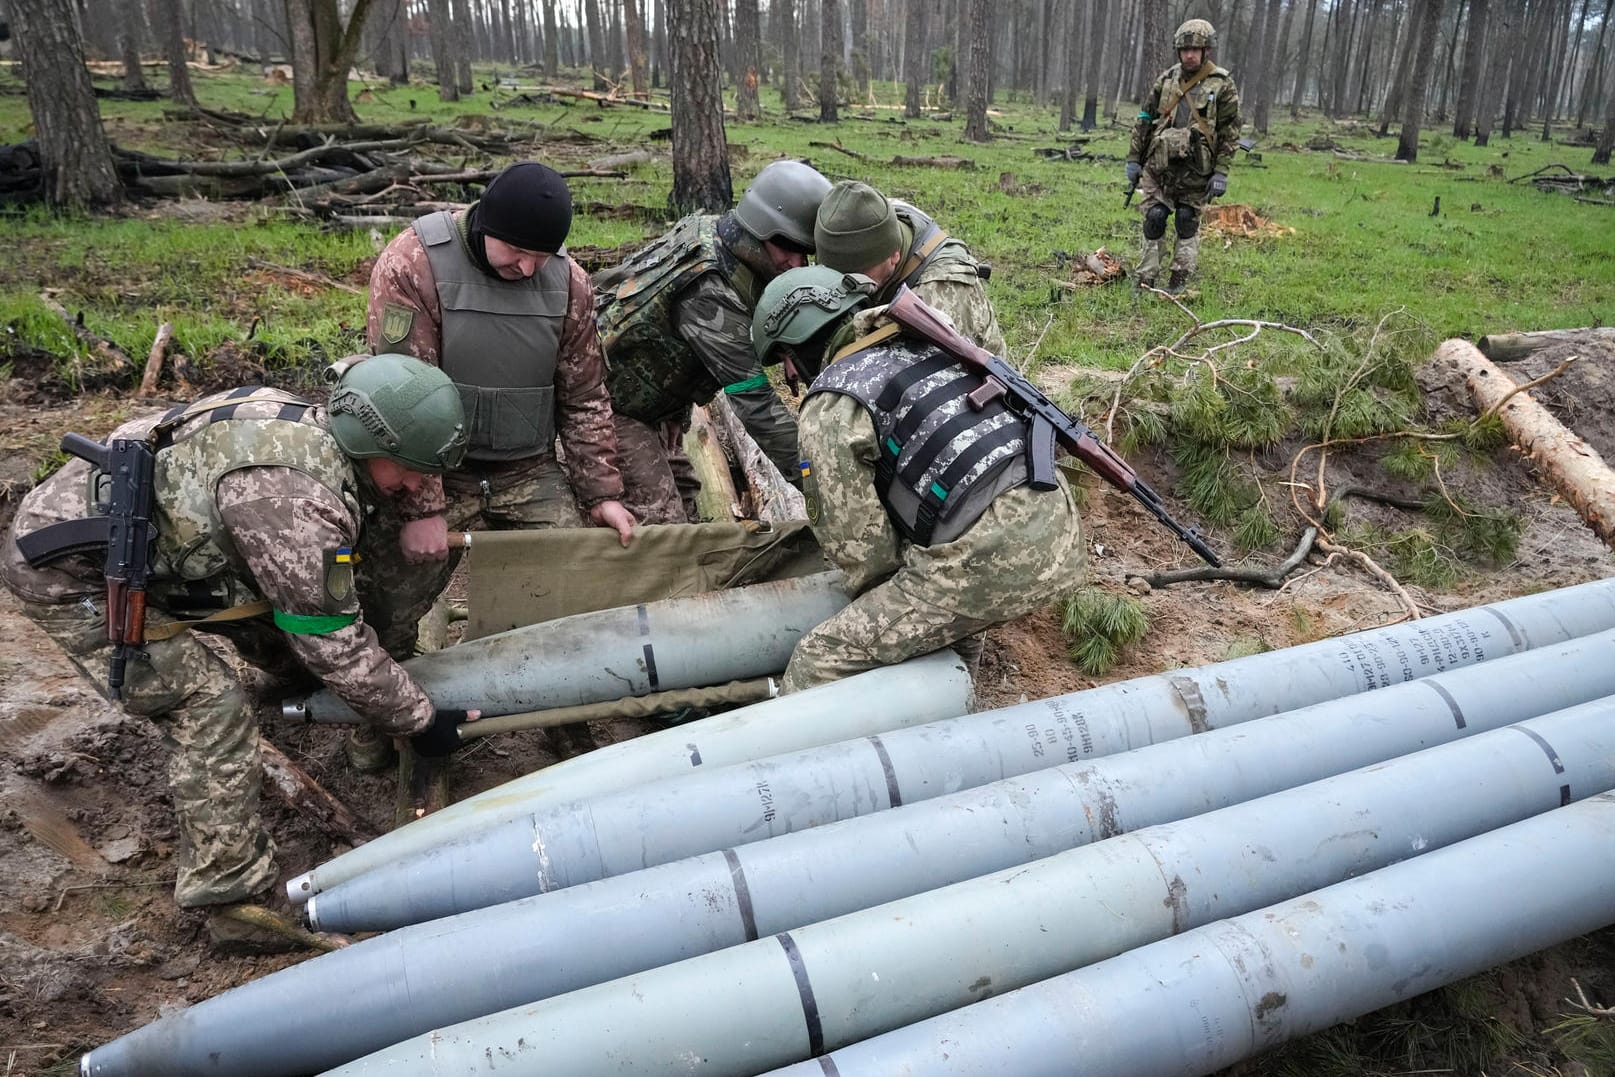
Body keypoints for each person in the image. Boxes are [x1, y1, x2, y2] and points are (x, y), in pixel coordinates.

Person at [1, 354, 476, 950]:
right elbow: (331, 639)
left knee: (290, 635)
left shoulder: (335, 426)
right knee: (209, 706)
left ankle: (291, 699)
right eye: (406, 471)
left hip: (165, 540)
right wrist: (419, 719)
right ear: (366, 440)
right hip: (72, 576)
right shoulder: (290, 503)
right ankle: (229, 897)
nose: (414, 484)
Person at [367, 160, 634, 762]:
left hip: (527, 468)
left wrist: (601, 493)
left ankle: (565, 715)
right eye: (516, 250)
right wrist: (422, 510)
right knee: (389, 598)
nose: (528, 268)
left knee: (570, 589)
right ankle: (384, 724)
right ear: (484, 222)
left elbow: (586, 393)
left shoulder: (569, 284)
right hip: (435, 467)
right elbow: (403, 398)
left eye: (542, 254)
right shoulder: (414, 264)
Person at [750, 267, 1088, 694]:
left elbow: (860, 550)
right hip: (1060, 527)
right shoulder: (931, 341)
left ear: (791, 353)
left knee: (819, 658)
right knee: (944, 594)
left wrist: (881, 603)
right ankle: (953, 699)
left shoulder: (832, 406)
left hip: (992, 560)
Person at [592, 159, 832, 524]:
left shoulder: (719, 233)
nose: (796, 261)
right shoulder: (710, 288)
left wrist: (674, 408)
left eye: (805, 250)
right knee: (663, 524)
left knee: (686, 489)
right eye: (787, 245)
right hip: (607, 403)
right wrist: (821, 486)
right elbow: (757, 404)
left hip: (645, 398)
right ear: (759, 227)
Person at [811, 179, 1006, 356]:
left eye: (858, 276)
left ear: (894, 256)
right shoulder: (876, 217)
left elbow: (910, 374)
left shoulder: (938, 293)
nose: (848, 283)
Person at [1125, 18, 1241, 295]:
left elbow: (1230, 130)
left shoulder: (1221, 84)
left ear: (1206, 51)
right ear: (1178, 51)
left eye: (1196, 49)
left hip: (1196, 170)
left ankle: (1179, 277)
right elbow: (1145, 118)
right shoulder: (1166, 80)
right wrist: (1133, 158)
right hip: (1159, 167)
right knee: (1154, 218)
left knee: (1186, 219)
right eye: (1185, 49)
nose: (1190, 54)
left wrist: (1221, 172)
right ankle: (1146, 277)